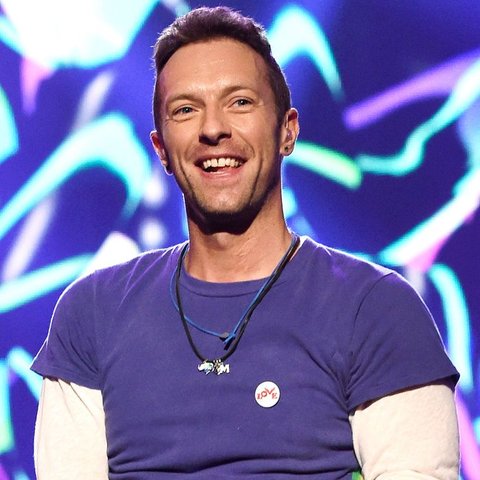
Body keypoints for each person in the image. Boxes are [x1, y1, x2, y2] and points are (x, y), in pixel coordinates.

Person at [31, 6, 460, 479]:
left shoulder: (376, 308)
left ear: (287, 131)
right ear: (162, 150)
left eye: (239, 102)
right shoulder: (93, 312)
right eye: (186, 110)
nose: (213, 129)